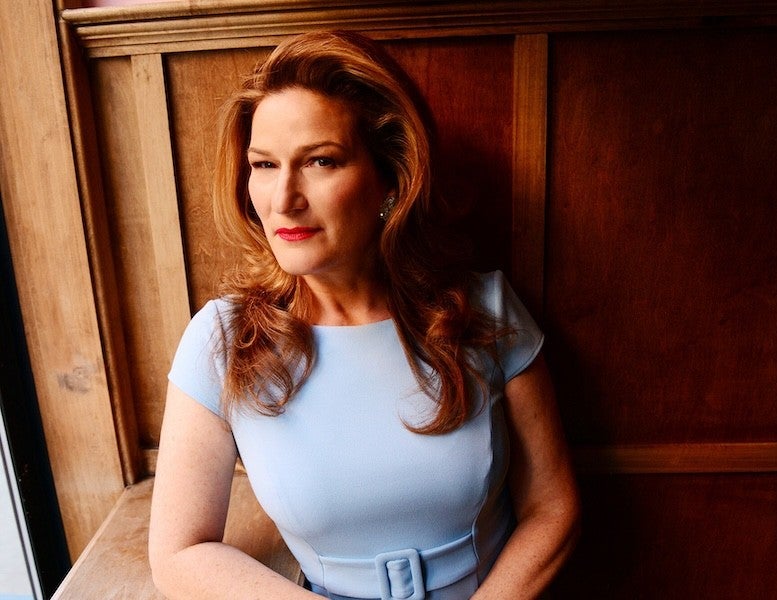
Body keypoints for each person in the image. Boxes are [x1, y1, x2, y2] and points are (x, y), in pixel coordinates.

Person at [148, 30, 580, 600]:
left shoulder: (484, 311)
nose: (283, 199)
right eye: (264, 164)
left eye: (321, 161)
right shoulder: (223, 340)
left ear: (391, 177)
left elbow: (553, 509)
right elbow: (181, 552)